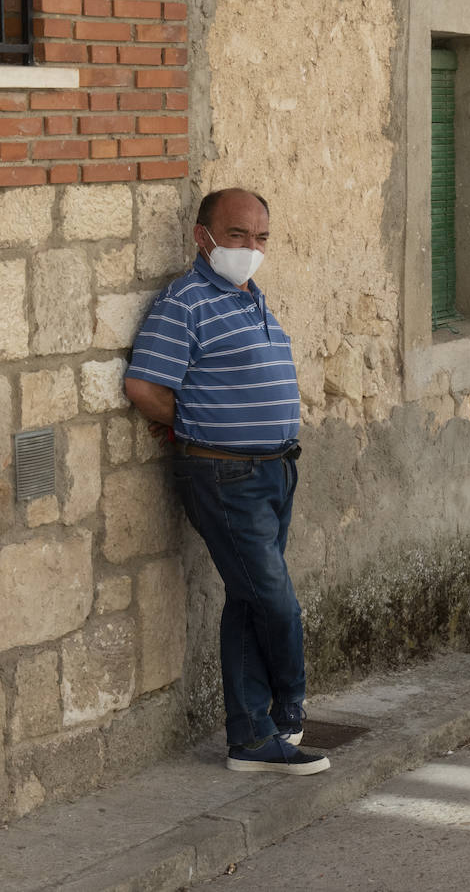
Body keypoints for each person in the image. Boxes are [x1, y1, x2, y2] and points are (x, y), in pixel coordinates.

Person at [124, 188, 329, 776]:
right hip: (225, 474)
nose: (251, 248)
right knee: (274, 600)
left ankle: (249, 740)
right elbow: (145, 387)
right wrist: (201, 429)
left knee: (248, 597)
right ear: (203, 237)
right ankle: (289, 709)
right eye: (238, 235)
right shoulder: (184, 302)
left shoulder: (252, 298)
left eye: (261, 238)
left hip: (274, 470)